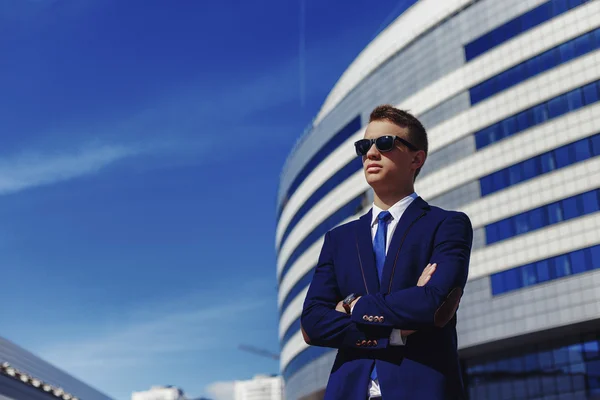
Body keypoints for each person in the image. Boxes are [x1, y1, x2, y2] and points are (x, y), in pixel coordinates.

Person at [300, 104, 473, 400]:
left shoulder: (447, 224)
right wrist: (394, 332)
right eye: (364, 145)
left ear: (417, 158)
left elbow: (433, 305)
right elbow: (313, 324)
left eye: (385, 143)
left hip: (422, 390)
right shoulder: (338, 240)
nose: (371, 153)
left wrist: (354, 306)